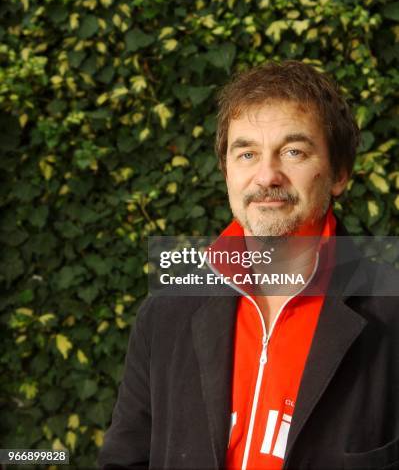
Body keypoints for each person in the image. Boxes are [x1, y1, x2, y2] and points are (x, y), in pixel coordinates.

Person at [98, 60, 399, 469]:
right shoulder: (166, 312)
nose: (266, 176)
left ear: (340, 173)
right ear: (226, 172)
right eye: (246, 153)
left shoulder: (390, 314)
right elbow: (124, 460)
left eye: (294, 151)